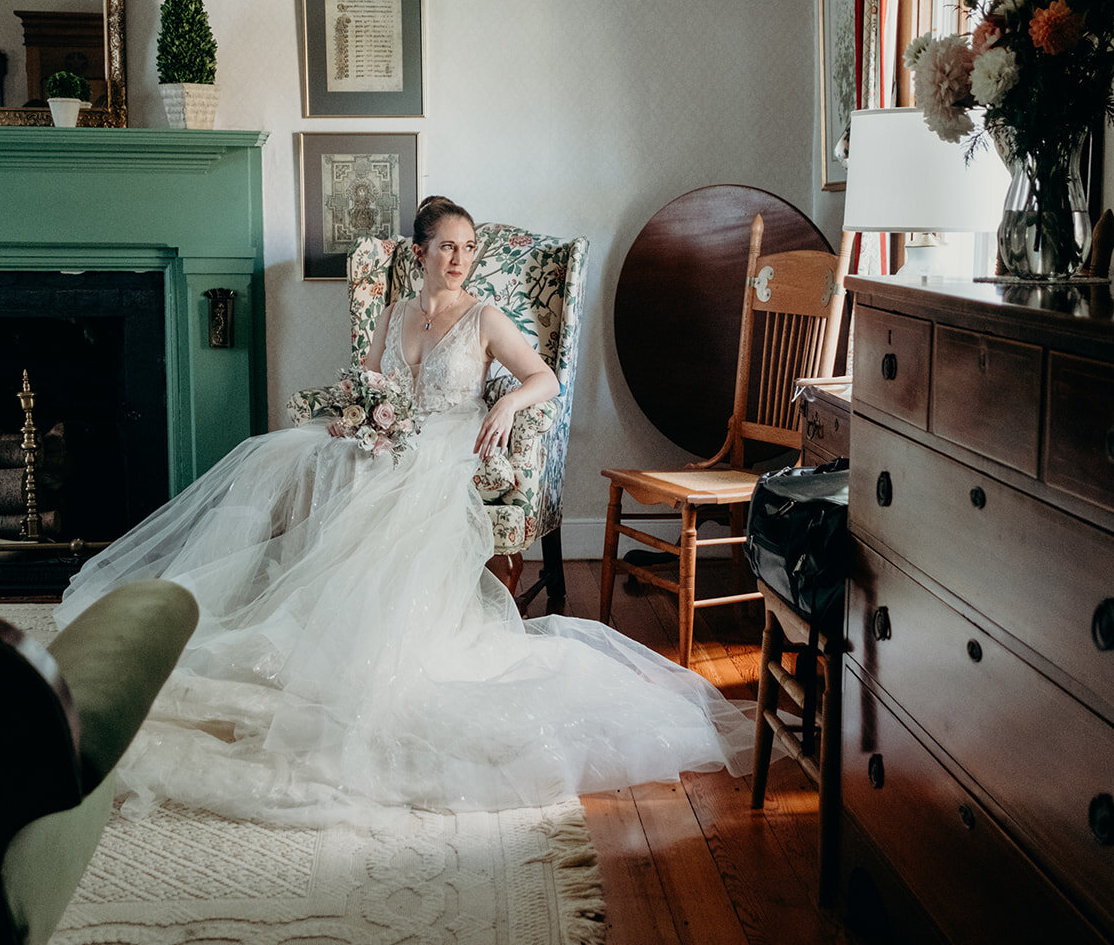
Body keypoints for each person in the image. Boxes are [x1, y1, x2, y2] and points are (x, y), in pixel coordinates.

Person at [53, 196, 759, 828]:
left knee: (390, 493)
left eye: (469, 248)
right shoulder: (394, 313)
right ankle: (297, 617)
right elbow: (371, 387)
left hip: (445, 447)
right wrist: (354, 419)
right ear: (419, 251)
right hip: (387, 437)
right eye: (447, 246)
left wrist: (508, 401)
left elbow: (543, 377)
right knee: (289, 456)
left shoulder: (484, 316)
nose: (459, 259)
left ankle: (366, 654)